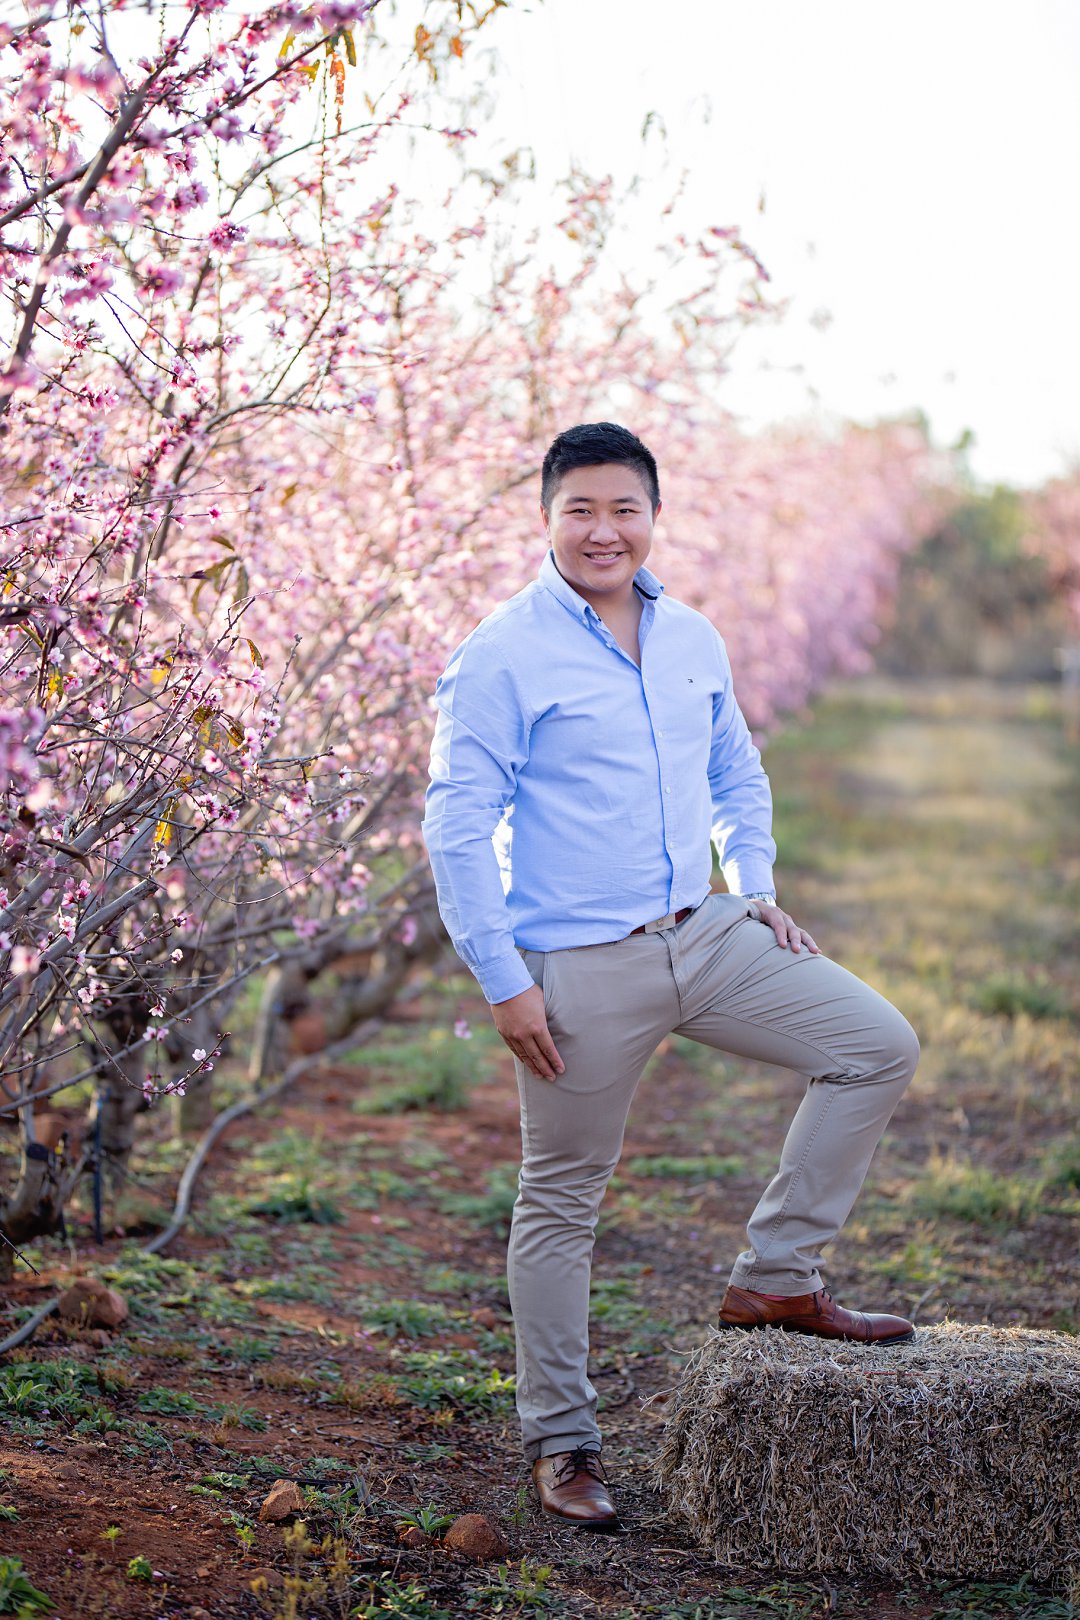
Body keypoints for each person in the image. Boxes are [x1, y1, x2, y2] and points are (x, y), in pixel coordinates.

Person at [421, 421, 919, 1531]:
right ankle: (562, 1441)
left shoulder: (690, 633)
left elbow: (736, 768)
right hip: (578, 967)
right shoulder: (501, 654)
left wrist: (754, 879)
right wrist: (503, 981)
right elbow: (456, 829)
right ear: (545, 519)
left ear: (654, 515)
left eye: (624, 509)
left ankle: (778, 1275)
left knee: (877, 1046)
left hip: (711, 933)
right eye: (580, 509)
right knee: (561, 1201)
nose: (605, 530)